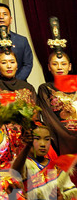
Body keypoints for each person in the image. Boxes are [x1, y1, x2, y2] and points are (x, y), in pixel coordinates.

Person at [11, 122, 76, 200]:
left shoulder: (58, 167)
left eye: (47, 139)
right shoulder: (24, 164)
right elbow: (16, 171)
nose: (42, 144)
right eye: (37, 139)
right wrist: (27, 147)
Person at [37, 17, 77, 156]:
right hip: (60, 137)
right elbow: (49, 119)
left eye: (63, 64)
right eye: (55, 64)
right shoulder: (45, 88)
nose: (59, 67)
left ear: (70, 66)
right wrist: (65, 136)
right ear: (49, 67)